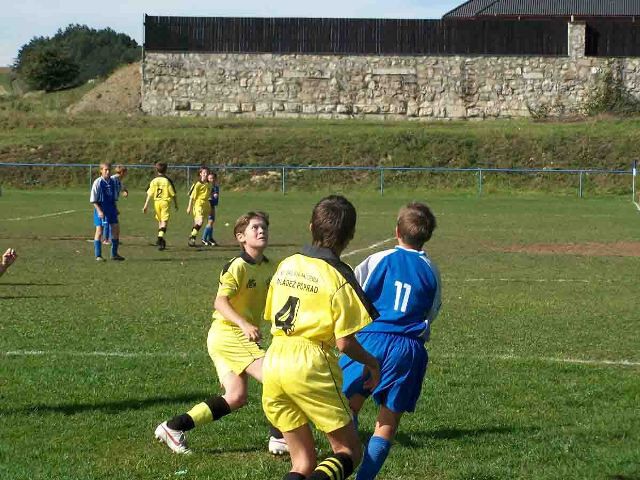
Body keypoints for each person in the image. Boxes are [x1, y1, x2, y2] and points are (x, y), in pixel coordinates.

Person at [262, 195, 381, 480]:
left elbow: (272, 313)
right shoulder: (339, 276)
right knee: (349, 451)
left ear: (310, 226)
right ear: (350, 236)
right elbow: (345, 343)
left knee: (302, 462)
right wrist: (373, 364)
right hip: (310, 362)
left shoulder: (287, 264)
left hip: (275, 360)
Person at [155, 211, 288, 456]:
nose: (262, 231)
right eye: (255, 228)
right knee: (276, 376)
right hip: (229, 333)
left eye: (264, 228)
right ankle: (279, 437)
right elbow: (220, 302)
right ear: (241, 237)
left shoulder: (270, 267)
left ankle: (173, 427)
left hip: (228, 337)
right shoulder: (237, 267)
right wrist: (244, 324)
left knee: (236, 397)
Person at [339, 202, 442, 480]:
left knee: (347, 406)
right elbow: (432, 311)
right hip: (408, 348)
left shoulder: (377, 259)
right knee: (387, 422)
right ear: (427, 236)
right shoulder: (431, 270)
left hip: (370, 339)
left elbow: (351, 290)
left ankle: (344, 457)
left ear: (396, 231)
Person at [90, 162, 124, 261]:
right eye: (105, 170)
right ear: (101, 171)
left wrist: (115, 208)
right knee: (99, 230)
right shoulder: (98, 182)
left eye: (109, 170)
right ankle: (98, 255)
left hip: (111, 209)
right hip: (101, 209)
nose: (108, 172)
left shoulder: (112, 181)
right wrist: (99, 211)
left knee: (116, 229)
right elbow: (93, 200)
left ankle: (114, 254)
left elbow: (113, 197)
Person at [142, 162, 178, 251]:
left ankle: (160, 241)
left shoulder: (154, 180)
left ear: (156, 169)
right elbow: (173, 194)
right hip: (165, 202)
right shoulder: (167, 181)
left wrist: (145, 205)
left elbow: (149, 193)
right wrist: (176, 204)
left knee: (160, 221)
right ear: (166, 170)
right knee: (164, 221)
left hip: (156, 202)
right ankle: (160, 237)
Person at [102, 165, 129, 245]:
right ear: (122, 172)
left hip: (112, 202)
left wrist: (125, 192)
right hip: (108, 202)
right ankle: (105, 239)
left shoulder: (119, 180)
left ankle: (112, 239)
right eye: (125, 173)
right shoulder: (113, 179)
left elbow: (122, 188)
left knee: (112, 221)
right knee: (108, 220)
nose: (126, 175)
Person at [186, 166, 212, 247]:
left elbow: (208, 194)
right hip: (198, 204)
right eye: (204, 173)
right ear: (200, 174)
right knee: (200, 221)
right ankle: (193, 237)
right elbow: (192, 196)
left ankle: (192, 237)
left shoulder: (209, 184)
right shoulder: (198, 184)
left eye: (207, 173)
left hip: (206, 204)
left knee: (198, 223)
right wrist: (189, 207)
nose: (205, 174)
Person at [202, 171, 220, 246]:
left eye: (212, 178)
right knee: (210, 221)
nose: (211, 179)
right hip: (208, 205)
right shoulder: (207, 186)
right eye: (209, 178)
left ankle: (210, 238)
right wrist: (212, 196)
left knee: (212, 222)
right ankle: (204, 238)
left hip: (212, 205)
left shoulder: (215, 186)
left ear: (215, 179)